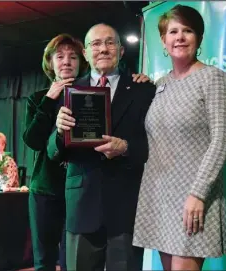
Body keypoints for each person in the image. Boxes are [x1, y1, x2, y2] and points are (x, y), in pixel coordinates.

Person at [133, 4, 226, 271]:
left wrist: (198, 194)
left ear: (199, 38)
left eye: (187, 30)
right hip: (160, 195)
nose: (179, 37)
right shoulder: (159, 85)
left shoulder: (213, 78)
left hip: (193, 196)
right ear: (164, 41)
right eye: (173, 31)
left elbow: (222, 141)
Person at [47, 23, 156, 271]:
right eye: (95, 44)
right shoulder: (67, 90)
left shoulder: (143, 89)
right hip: (82, 205)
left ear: (121, 50)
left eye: (109, 43)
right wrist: (61, 132)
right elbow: (52, 152)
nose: (103, 49)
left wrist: (126, 147)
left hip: (127, 206)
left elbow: (155, 146)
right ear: (85, 53)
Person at [23, 33, 88, 271]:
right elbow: (32, 140)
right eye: (59, 56)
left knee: (73, 260)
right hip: (45, 189)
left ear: (82, 61)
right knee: (44, 261)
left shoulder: (91, 96)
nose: (66, 61)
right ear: (50, 62)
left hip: (79, 190)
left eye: (73, 56)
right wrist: (50, 99)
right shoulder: (38, 98)